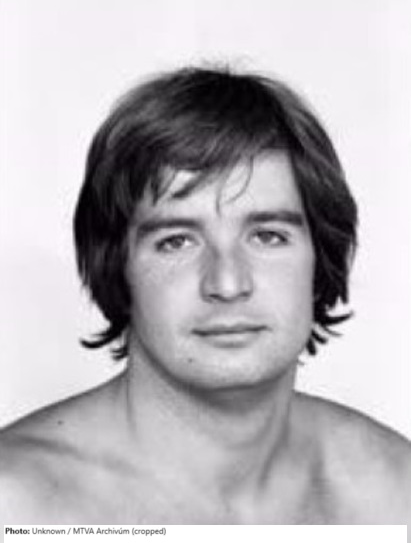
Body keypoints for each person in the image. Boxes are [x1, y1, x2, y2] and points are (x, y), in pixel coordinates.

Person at [0, 66, 410, 525]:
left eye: (268, 236)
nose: (228, 283)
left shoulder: (394, 491)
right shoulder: (16, 505)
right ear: (116, 267)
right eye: (176, 241)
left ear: (320, 259)